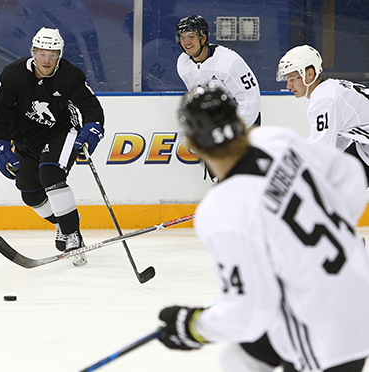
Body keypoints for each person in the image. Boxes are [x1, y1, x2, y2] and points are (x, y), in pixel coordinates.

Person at [157, 82, 369, 372]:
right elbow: (350, 177)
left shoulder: (221, 208)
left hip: (325, 333)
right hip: (358, 287)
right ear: (240, 122)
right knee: (240, 359)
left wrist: (195, 327)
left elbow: (249, 311)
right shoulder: (275, 139)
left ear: (192, 145)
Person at [0, 27, 105, 267]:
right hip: (26, 140)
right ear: (33, 52)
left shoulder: (70, 75)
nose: (47, 60)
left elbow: (90, 105)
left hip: (61, 133)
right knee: (30, 193)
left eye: (53, 54)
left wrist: (92, 127)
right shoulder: (13, 74)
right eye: (42, 53)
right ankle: (65, 222)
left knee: (50, 173)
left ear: (59, 55)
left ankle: (73, 235)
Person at [277, 44, 369, 185]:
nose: (288, 86)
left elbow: (320, 147)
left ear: (309, 74)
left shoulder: (325, 100)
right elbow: (338, 138)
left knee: (335, 191)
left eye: (292, 79)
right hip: (364, 147)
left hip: (365, 146)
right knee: (336, 188)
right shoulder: (327, 91)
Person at [176, 15, 261, 126]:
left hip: (242, 124)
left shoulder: (229, 62)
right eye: (182, 38)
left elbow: (250, 101)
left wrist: (233, 130)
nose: (186, 43)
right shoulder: (182, 62)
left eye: (191, 37)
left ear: (203, 38)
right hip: (212, 125)